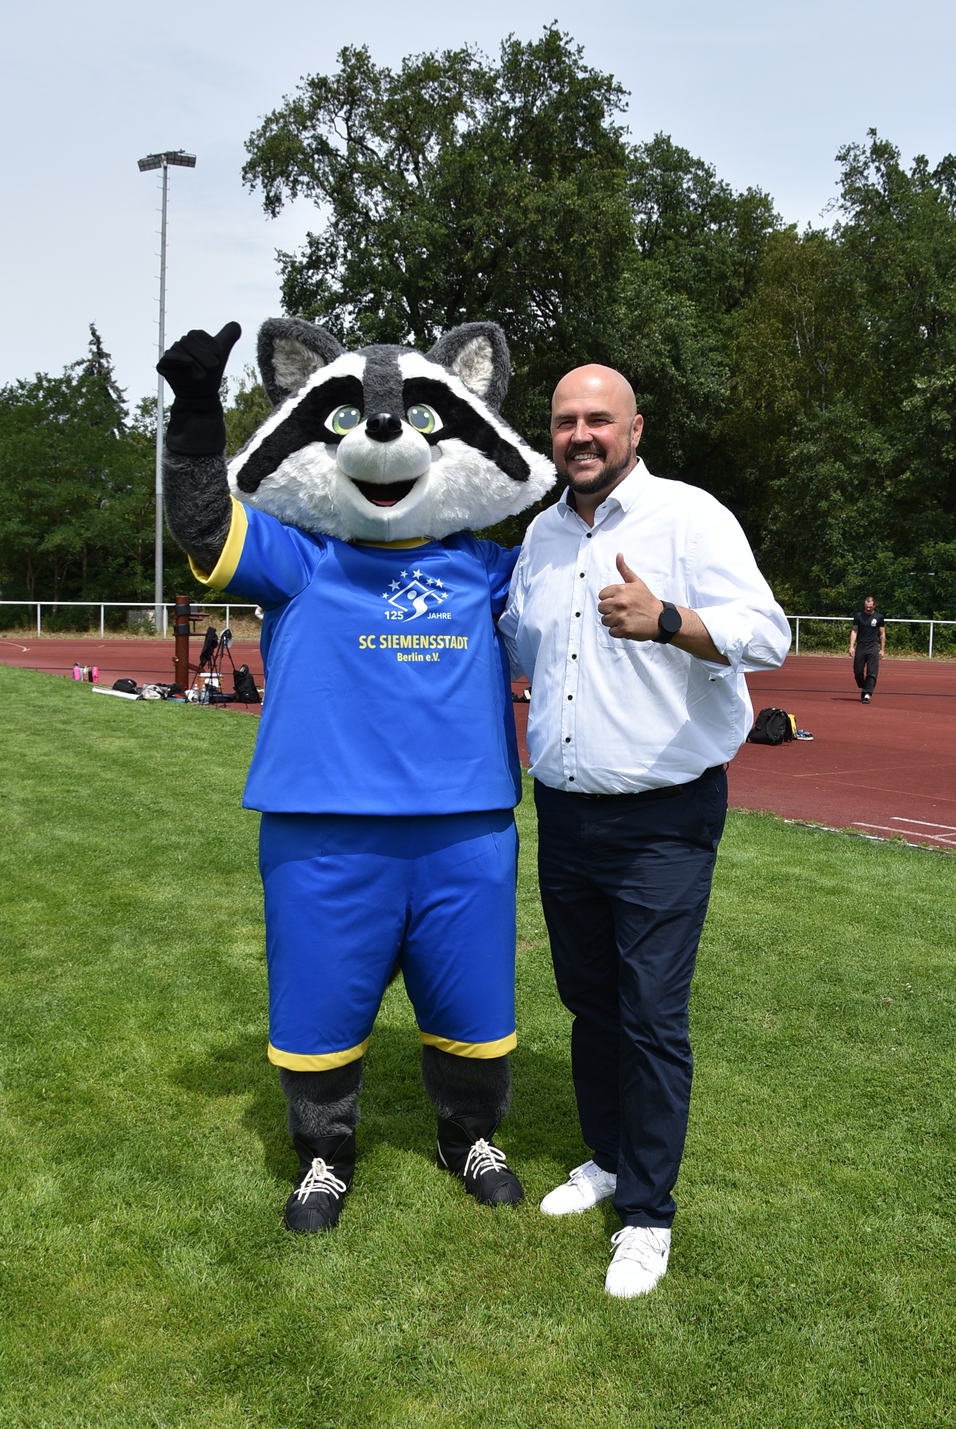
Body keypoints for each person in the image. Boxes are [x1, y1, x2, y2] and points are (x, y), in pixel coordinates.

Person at [499, 365, 790, 1298]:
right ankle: (610, 1157)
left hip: (665, 816)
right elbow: (514, 642)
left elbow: (770, 634)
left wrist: (670, 621)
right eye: (564, 422)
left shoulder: (691, 517)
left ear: (634, 427)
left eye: (598, 420)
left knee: (653, 1013)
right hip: (567, 811)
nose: (580, 435)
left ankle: (649, 1215)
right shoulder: (540, 537)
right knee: (590, 1001)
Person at [849, 596, 885, 703]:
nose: (868, 608)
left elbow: (882, 633)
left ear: (874, 605)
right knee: (858, 671)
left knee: (872, 672)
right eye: (866, 606)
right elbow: (854, 631)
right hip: (861, 645)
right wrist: (851, 646)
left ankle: (867, 694)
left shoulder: (879, 617)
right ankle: (864, 686)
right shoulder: (858, 616)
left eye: (870, 606)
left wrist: (882, 649)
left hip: (873, 646)